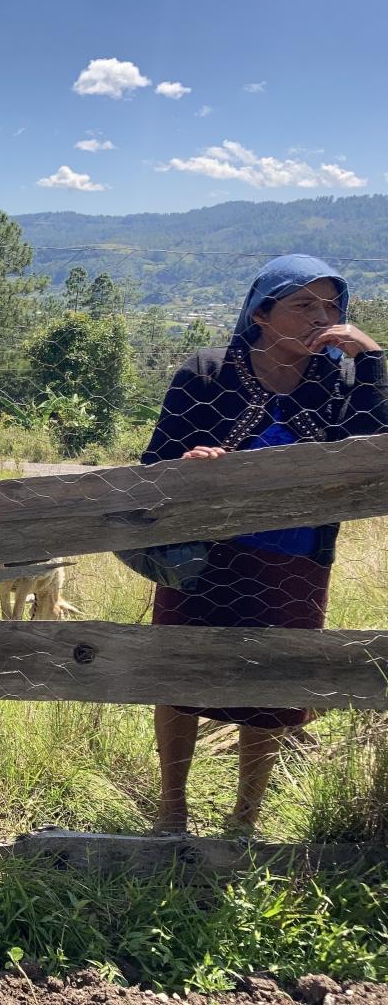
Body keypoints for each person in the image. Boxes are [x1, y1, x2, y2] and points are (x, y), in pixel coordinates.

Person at [142, 254, 388, 836]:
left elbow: (372, 449)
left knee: (271, 684)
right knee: (181, 677)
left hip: (295, 558)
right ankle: (171, 810)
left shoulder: (338, 381)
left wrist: (373, 359)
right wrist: (190, 465)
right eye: (303, 305)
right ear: (261, 314)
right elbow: (153, 463)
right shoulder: (207, 371)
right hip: (202, 558)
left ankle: (245, 819)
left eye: (331, 306)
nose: (320, 318)